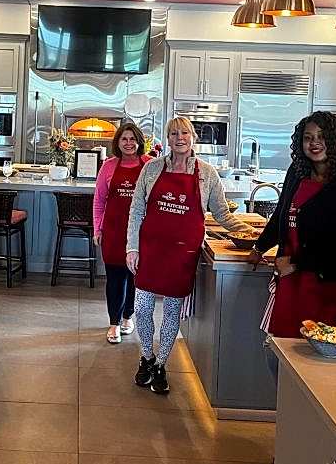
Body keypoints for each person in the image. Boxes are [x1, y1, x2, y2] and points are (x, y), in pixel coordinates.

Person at [125, 116, 246, 394]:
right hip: (151, 250)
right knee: (141, 309)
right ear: (167, 139)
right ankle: (146, 356)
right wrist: (132, 247)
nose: (179, 138)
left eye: (184, 133)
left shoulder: (207, 173)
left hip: (183, 254)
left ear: (193, 137)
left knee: (171, 311)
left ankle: (160, 365)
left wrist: (249, 232)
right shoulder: (152, 169)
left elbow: (222, 214)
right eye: (174, 134)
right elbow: (136, 210)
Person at [256, 111, 336, 338]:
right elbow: (281, 214)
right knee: (281, 345)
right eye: (308, 137)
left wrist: (296, 264)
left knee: (315, 348)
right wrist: (259, 247)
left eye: (322, 137)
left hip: (327, 287)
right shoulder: (297, 173)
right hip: (289, 279)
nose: (314, 143)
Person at [93, 121, 151, 344]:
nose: (128, 143)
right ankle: (114, 322)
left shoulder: (150, 165)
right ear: (117, 142)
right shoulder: (108, 166)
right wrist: (97, 229)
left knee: (135, 277)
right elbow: (99, 201)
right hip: (114, 231)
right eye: (124, 139)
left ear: (139, 142)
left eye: (132, 139)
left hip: (140, 232)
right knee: (115, 279)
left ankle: (128, 316)